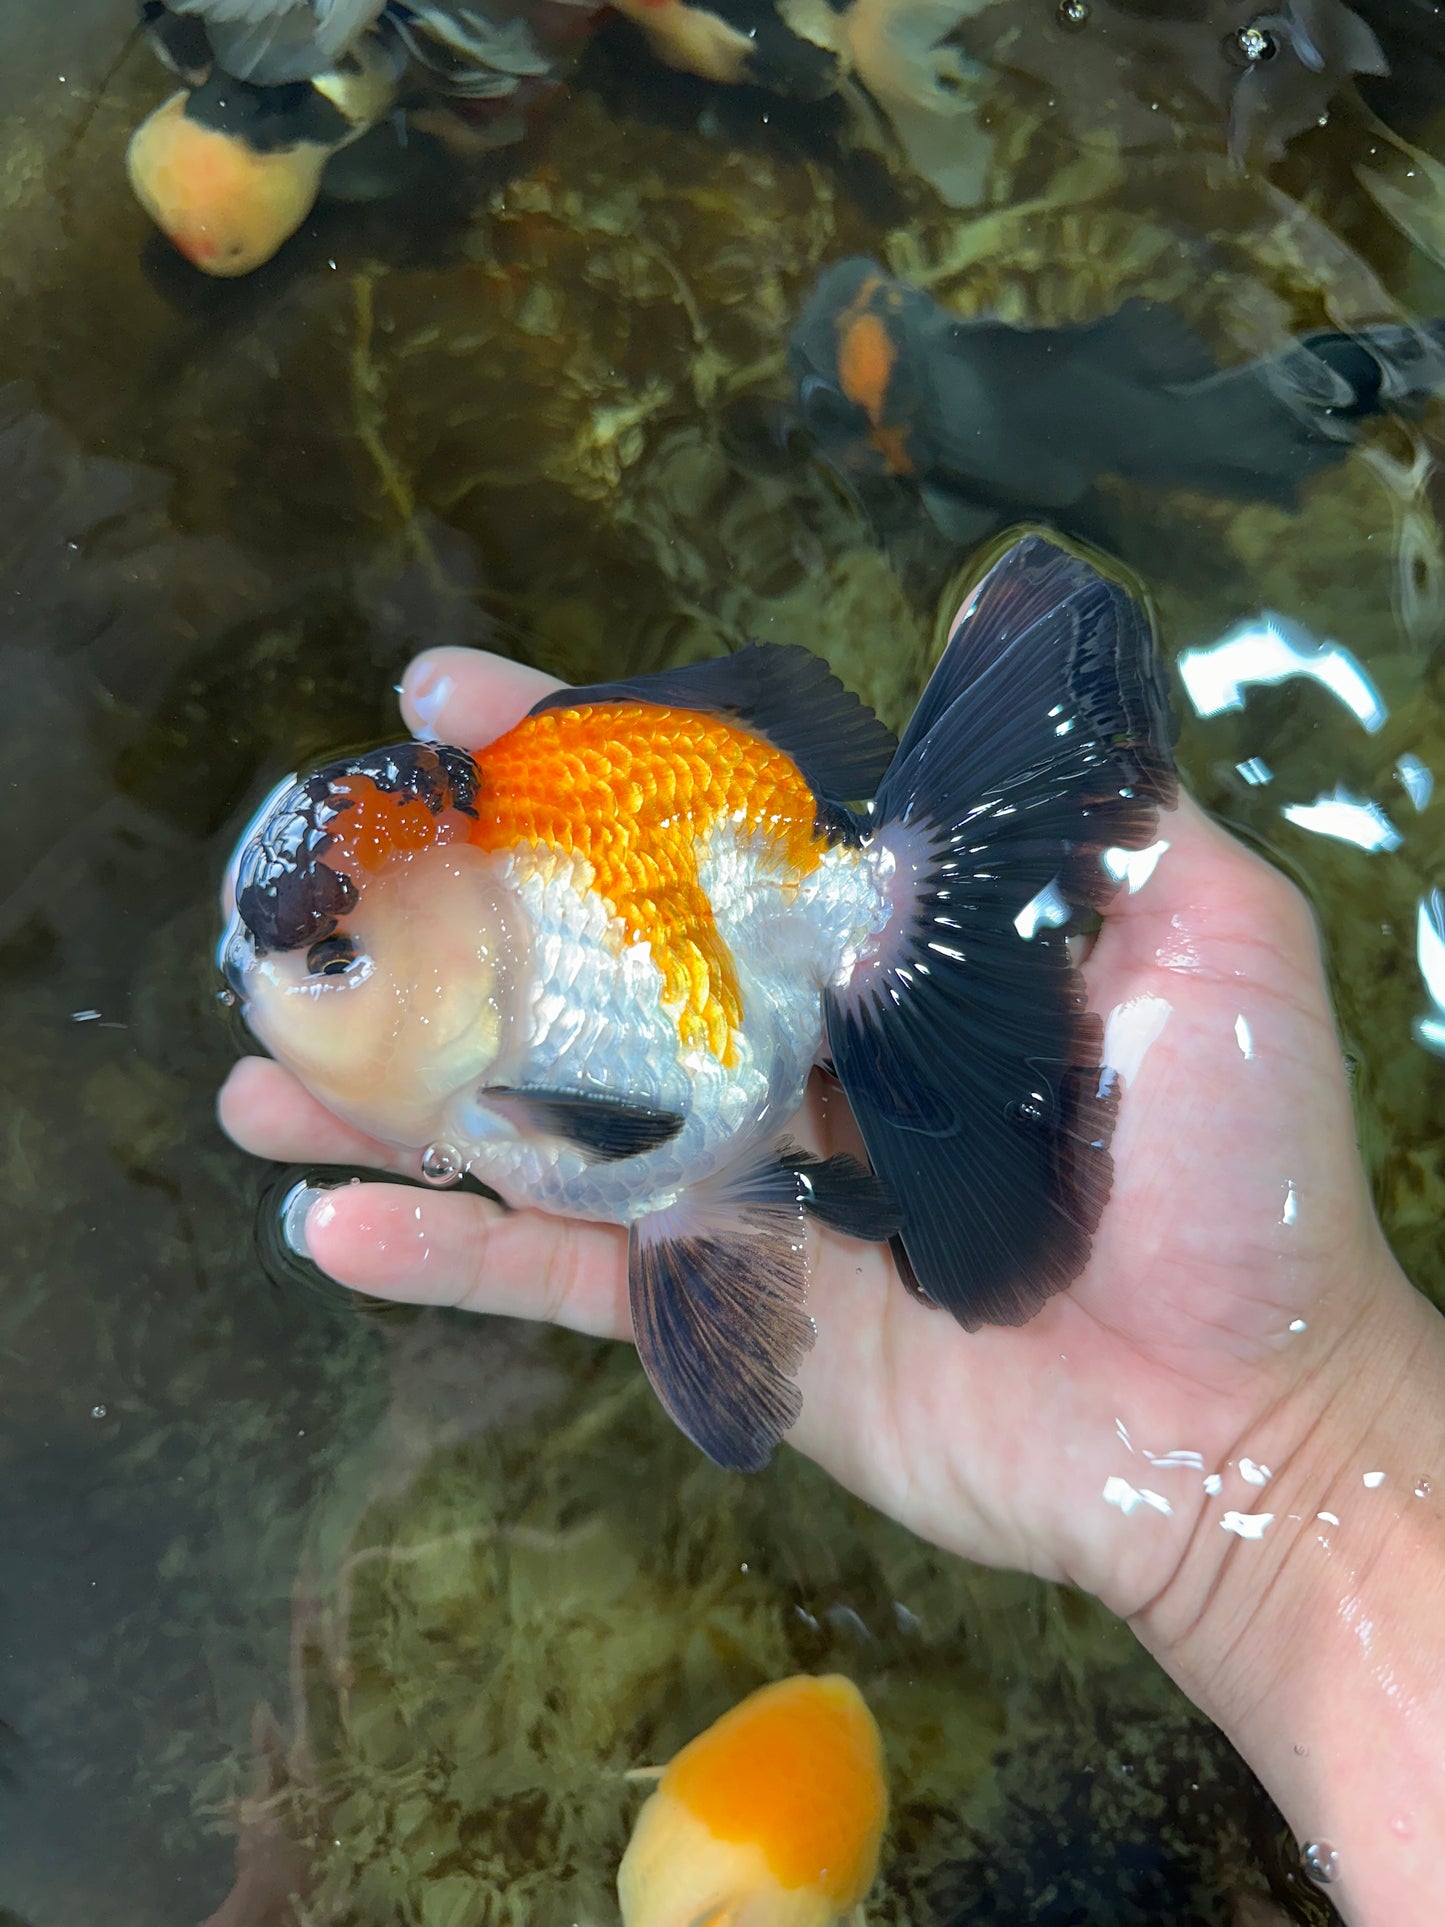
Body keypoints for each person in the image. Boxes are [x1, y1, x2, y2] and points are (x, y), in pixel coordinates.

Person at [219, 642, 1445, 1926]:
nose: (266, 995)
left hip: (775, 922)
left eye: (334, 963)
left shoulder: (519, 1057)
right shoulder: (487, 1023)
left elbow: (626, 1137)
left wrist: (1291, 1454)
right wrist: (1293, 1472)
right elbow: (640, 1159)